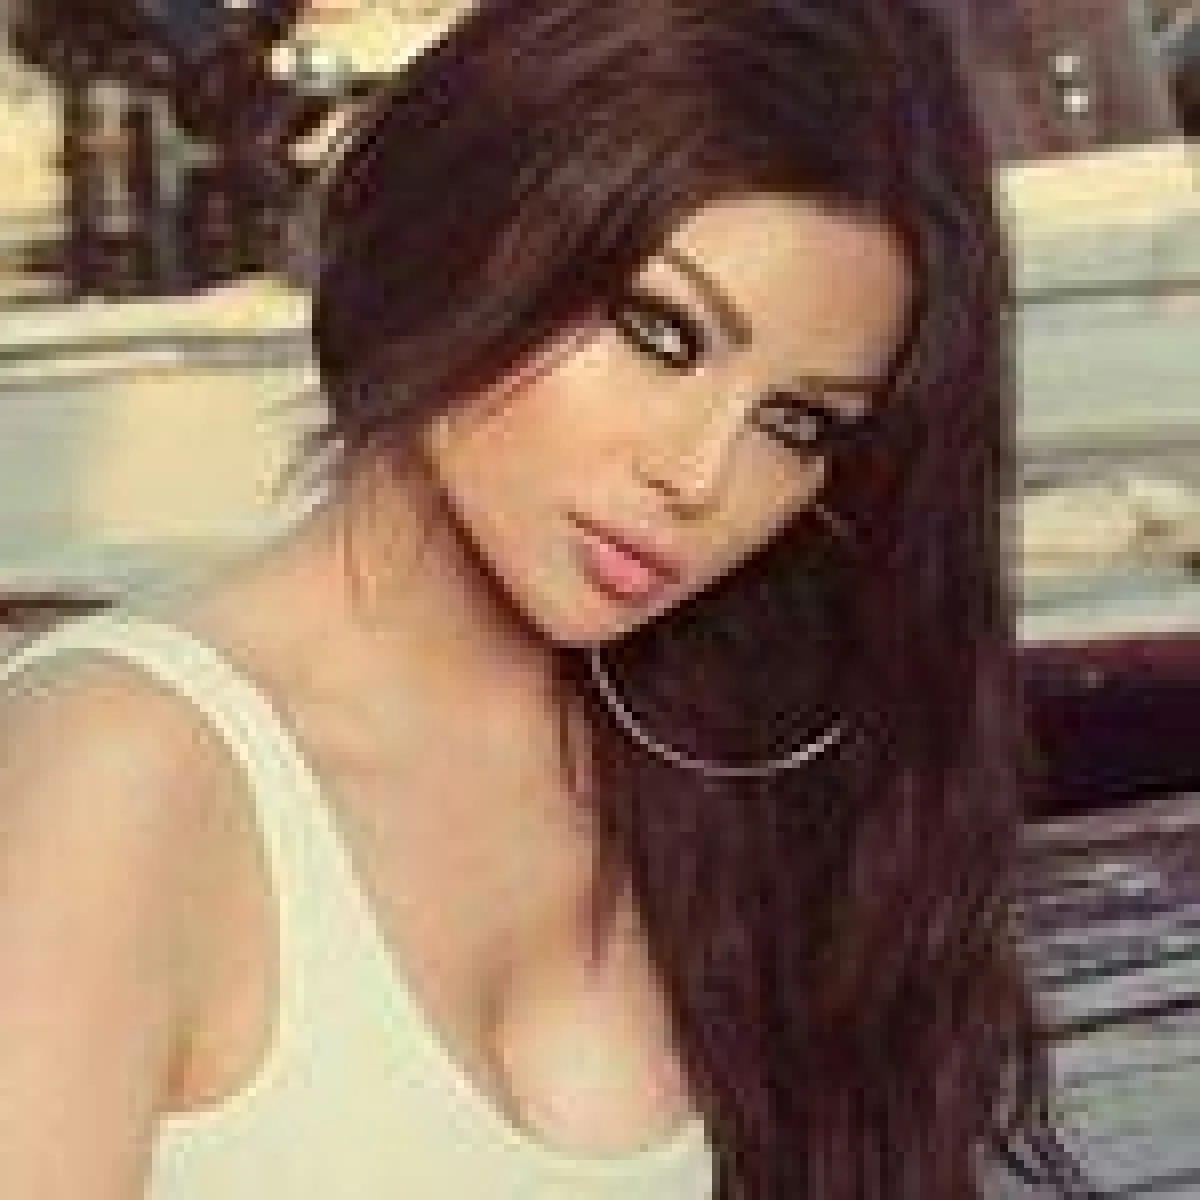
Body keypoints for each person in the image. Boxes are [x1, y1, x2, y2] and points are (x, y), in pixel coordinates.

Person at [0, 1, 1101, 1197]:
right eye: (660, 333)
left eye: (797, 423)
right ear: (469, 228)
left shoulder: (729, 767)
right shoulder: (120, 771)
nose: (699, 477)